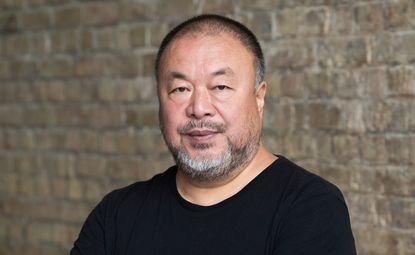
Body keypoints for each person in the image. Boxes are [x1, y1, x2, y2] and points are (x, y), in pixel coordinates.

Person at [71, 14, 356, 254]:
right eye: (180, 89)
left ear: (259, 98)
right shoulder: (117, 215)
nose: (199, 108)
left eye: (220, 87)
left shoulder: (310, 209)